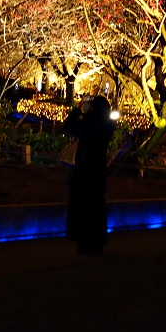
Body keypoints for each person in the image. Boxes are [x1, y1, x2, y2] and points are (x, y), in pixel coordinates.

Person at [64, 95, 116, 254]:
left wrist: (79, 110)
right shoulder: (108, 125)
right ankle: (97, 242)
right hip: (98, 170)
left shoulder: (87, 123)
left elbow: (68, 126)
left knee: (83, 206)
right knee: (97, 207)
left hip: (84, 169)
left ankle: (84, 242)